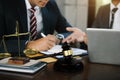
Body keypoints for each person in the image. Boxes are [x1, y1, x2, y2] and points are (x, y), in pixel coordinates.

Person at [0, 0, 75, 55]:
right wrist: (28, 45)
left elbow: (69, 31)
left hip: (43, 61)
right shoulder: (4, 4)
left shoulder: (51, 5)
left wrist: (58, 38)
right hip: (12, 63)